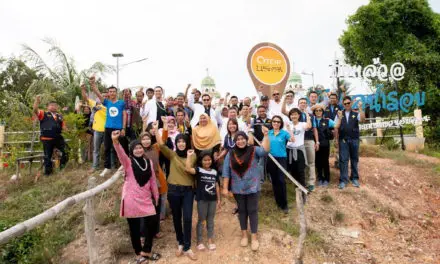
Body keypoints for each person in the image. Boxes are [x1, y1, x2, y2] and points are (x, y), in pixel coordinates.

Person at [111, 130, 161, 263]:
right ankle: (138, 253)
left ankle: (147, 250)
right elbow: (120, 154)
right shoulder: (128, 162)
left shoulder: (148, 162)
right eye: (136, 148)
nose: (138, 150)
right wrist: (115, 141)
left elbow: (152, 180)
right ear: (132, 150)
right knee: (134, 229)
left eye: (140, 148)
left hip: (145, 198)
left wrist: (156, 196)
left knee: (152, 222)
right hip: (131, 199)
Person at [154, 120, 198, 260]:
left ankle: (187, 246)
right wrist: (157, 129)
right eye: (178, 141)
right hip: (173, 190)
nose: (181, 143)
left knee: (187, 217)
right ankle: (180, 242)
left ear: (186, 142)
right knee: (177, 218)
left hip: (188, 191)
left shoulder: (193, 155)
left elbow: (188, 169)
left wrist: (190, 157)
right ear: (176, 143)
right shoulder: (172, 155)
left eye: (183, 141)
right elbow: (161, 145)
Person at [222, 129, 270, 251]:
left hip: (253, 187)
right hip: (237, 188)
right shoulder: (230, 153)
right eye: (238, 139)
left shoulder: (253, 150)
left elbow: (265, 151)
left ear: (246, 139)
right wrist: (225, 188)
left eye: (242, 138)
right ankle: (244, 235)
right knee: (242, 211)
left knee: (252, 211)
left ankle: (254, 237)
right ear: (234, 141)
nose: (240, 141)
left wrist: (265, 135)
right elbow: (226, 171)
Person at [185, 150, 220, 251]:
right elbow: (187, 169)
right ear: (201, 161)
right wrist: (188, 156)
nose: (207, 162)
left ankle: (210, 240)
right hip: (202, 199)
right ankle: (199, 241)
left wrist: (219, 199)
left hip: (212, 199)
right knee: (201, 220)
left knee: (211, 219)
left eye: (209, 160)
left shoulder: (214, 172)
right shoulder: (198, 170)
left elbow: (217, 185)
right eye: (205, 160)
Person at [91, 79, 126, 177]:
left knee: (120, 149)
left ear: (116, 92)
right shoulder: (106, 102)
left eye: (114, 91)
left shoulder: (121, 103)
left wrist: (123, 128)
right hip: (108, 128)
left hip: (118, 129)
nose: (112, 93)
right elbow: (97, 93)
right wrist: (93, 84)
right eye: (110, 91)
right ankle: (107, 168)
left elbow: (124, 115)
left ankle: (124, 167)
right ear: (108, 93)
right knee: (107, 148)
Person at [140, 132, 168, 238]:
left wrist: (161, 127)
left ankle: (156, 231)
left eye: (148, 139)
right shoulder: (138, 151)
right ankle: (143, 234)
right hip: (144, 183)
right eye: (143, 139)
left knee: (156, 207)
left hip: (157, 182)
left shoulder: (155, 148)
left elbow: (163, 139)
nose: (146, 141)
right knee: (145, 208)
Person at [334, 96, 365, 189]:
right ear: (343, 104)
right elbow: (336, 127)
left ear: (351, 103)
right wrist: (336, 139)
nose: (347, 104)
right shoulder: (339, 114)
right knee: (343, 160)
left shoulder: (356, 113)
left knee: (354, 159)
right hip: (343, 140)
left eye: (348, 103)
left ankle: (354, 178)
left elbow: (363, 120)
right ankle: (343, 180)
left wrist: (360, 108)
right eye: (345, 103)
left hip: (354, 139)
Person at [33, 95, 68, 176]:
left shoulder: (60, 116)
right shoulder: (43, 113)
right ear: (48, 107)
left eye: (55, 105)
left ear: (57, 107)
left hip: (58, 138)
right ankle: (48, 174)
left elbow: (64, 126)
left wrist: (68, 130)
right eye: (51, 105)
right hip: (47, 138)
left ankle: (62, 168)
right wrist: (36, 101)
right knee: (47, 156)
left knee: (66, 151)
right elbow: (35, 110)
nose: (53, 107)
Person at [267, 115, 295, 213]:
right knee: (274, 181)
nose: (276, 123)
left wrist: (289, 129)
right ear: (272, 122)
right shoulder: (268, 133)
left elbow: (292, 140)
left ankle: (284, 204)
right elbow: (264, 144)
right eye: (274, 121)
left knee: (281, 181)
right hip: (270, 159)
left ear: (280, 123)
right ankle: (278, 203)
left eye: (278, 122)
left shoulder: (284, 133)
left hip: (281, 159)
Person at [285, 108, 311, 203]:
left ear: (299, 115)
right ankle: (297, 189)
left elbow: (309, 126)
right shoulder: (288, 125)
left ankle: (303, 192)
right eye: (292, 115)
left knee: (301, 171)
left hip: (299, 150)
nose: (293, 116)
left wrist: (307, 116)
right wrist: (288, 129)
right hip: (289, 150)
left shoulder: (302, 124)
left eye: (295, 114)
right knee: (293, 170)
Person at [81, 82, 107, 173]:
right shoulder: (96, 105)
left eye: (104, 96)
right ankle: (95, 166)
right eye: (101, 95)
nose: (102, 97)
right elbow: (86, 98)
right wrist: (83, 89)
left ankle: (109, 166)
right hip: (97, 130)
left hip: (108, 130)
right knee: (96, 149)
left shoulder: (110, 106)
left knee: (109, 149)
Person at [298, 98, 319, 192]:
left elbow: (314, 129)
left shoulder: (311, 116)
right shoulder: (295, 115)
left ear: (306, 105)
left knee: (311, 163)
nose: (303, 104)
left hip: (309, 141)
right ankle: (303, 182)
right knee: (302, 163)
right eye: (301, 103)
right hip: (299, 142)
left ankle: (311, 183)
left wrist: (317, 141)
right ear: (298, 104)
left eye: (304, 103)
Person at [312, 104, 335, 187]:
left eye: (320, 110)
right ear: (314, 112)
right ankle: (320, 178)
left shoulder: (327, 121)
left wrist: (334, 134)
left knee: (325, 161)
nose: (318, 112)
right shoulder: (312, 120)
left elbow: (336, 126)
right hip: (315, 144)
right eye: (316, 110)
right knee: (317, 162)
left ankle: (327, 179)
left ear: (322, 112)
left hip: (325, 144)